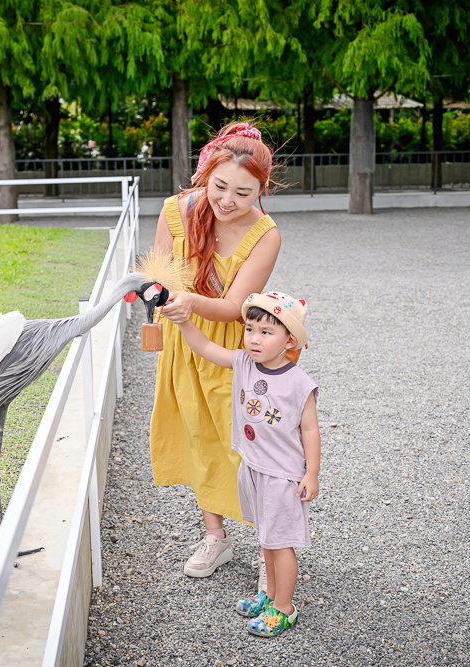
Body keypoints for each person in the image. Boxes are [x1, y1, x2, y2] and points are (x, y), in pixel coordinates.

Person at [149, 121, 281, 583]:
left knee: (250, 448)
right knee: (199, 438)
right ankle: (215, 537)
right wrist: (158, 294)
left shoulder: (265, 235)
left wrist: (186, 302)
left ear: (261, 191)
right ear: (205, 173)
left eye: (243, 194)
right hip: (182, 344)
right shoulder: (176, 211)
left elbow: (230, 309)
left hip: (231, 350)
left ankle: (272, 550)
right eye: (219, 186)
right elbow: (160, 276)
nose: (227, 201)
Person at [163, 291, 319, 637]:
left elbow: (310, 429)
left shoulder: (299, 383)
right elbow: (205, 347)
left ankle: (284, 608)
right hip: (253, 466)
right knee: (266, 538)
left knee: (281, 542)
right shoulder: (245, 363)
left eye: (267, 332)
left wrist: (311, 473)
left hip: (281, 475)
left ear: (288, 340)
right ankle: (269, 595)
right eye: (250, 330)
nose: (255, 339)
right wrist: (184, 320)